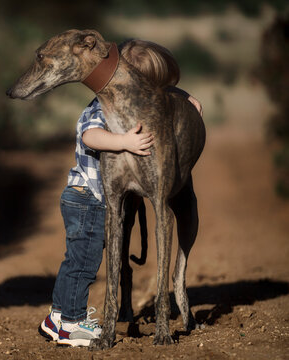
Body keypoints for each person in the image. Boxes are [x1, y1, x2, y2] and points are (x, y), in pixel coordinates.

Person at [38, 39, 203, 347]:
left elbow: (162, 93)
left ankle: (57, 317)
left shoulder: (138, 102)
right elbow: (90, 134)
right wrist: (124, 142)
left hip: (88, 197)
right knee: (83, 263)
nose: (156, 95)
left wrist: (186, 97)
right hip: (86, 197)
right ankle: (70, 322)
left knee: (74, 261)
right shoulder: (105, 107)